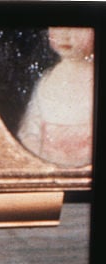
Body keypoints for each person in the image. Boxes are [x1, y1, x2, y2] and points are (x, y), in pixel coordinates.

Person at [16, 26, 95, 168]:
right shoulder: (47, 79)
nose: (65, 35)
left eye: (76, 27)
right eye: (58, 27)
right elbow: (30, 129)